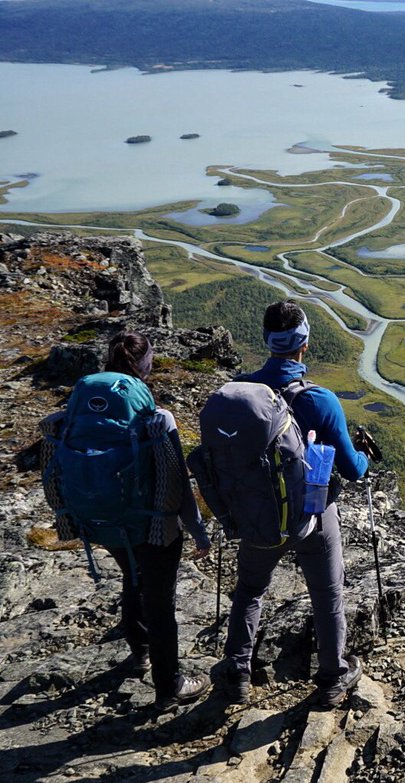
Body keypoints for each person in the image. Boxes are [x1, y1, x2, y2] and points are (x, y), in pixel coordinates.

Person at [45, 331, 213, 711]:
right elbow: (177, 483)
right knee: (160, 601)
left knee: (132, 576)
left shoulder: (81, 414)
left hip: (102, 522)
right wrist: (198, 532)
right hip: (152, 525)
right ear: (145, 365)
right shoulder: (157, 419)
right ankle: (170, 686)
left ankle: (140, 654)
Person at [222, 300, 371, 708]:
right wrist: (364, 455)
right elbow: (352, 470)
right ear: (304, 344)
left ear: (266, 340)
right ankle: (332, 678)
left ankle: (237, 673)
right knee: (327, 594)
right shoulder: (320, 401)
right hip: (313, 516)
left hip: (257, 516)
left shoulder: (241, 394)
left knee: (250, 590)